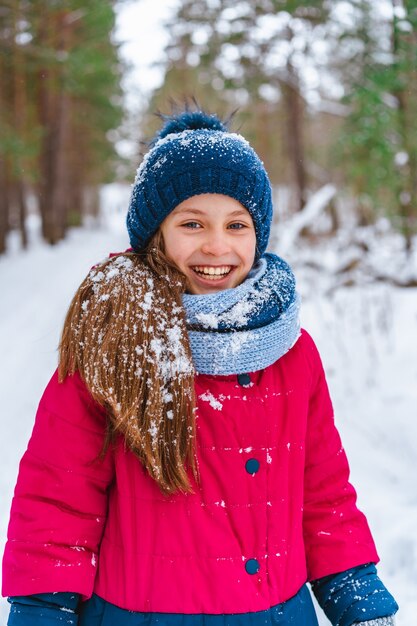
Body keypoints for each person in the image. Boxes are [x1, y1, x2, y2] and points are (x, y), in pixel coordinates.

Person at [2, 108, 398, 626]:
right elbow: (58, 502)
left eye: (237, 225)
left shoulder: (292, 351)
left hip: (277, 615)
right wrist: (42, 609)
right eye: (192, 224)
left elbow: (322, 492)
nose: (217, 246)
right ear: (155, 235)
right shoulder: (112, 341)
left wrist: (355, 593)